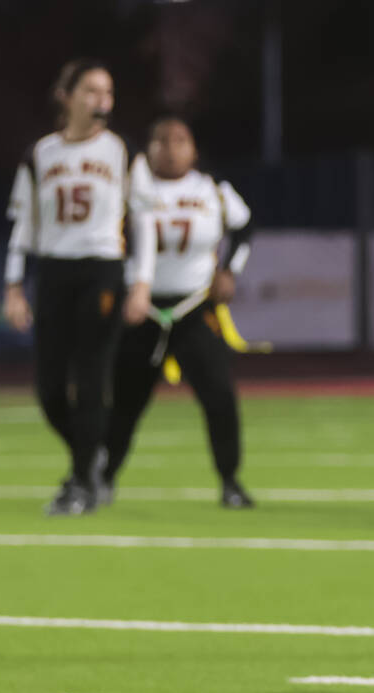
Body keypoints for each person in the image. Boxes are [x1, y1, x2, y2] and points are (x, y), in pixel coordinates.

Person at [3, 58, 155, 516]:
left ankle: (82, 486)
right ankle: (90, 461)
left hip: (102, 270)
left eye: (107, 92)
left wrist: (141, 283)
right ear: (65, 96)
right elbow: (23, 226)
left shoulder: (122, 151)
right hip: (53, 272)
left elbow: (143, 224)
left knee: (90, 381)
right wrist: (13, 284)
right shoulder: (40, 153)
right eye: (91, 90)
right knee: (49, 390)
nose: (102, 101)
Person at [99, 115, 255, 509]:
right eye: (161, 140)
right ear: (147, 149)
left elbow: (244, 227)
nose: (170, 148)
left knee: (219, 395)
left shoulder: (212, 190)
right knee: (124, 402)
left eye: (180, 139)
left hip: (193, 306)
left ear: (194, 149)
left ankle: (230, 481)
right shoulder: (128, 190)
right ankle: (101, 478)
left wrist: (229, 271)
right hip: (142, 310)